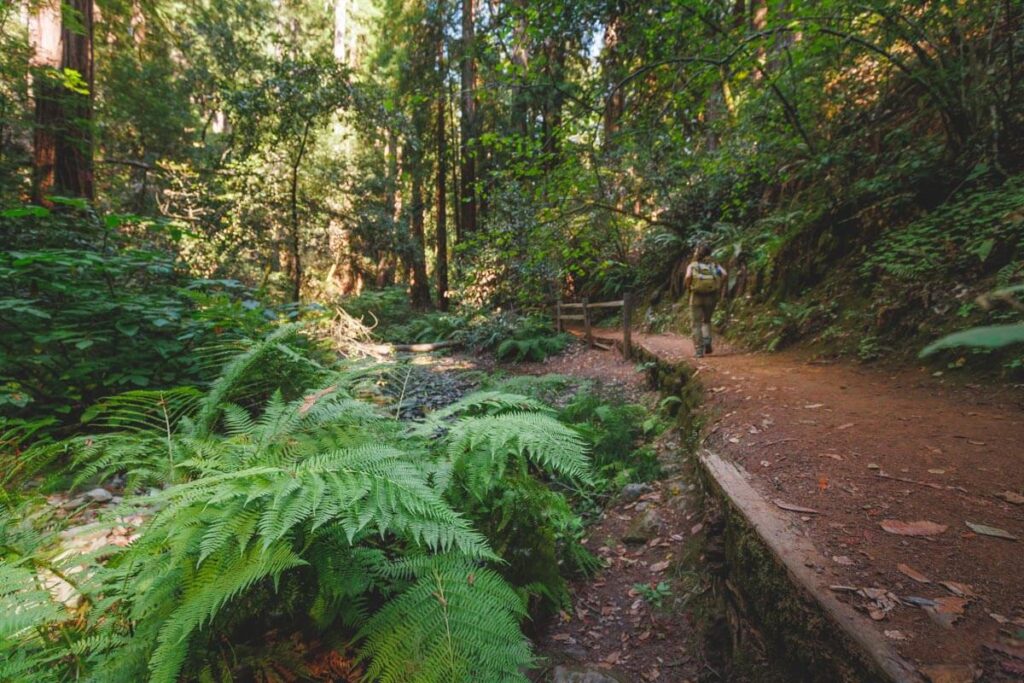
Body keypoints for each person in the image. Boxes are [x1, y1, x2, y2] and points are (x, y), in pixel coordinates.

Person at [683, 244, 726, 358]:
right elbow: (724, 274)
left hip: (696, 296)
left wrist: (689, 287)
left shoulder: (692, 265)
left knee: (696, 324)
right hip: (711, 296)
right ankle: (707, 342)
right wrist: (717, 284)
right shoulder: (714, 265)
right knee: (706, 321)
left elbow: (688, 277)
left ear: (698, 253)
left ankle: (699, 350)